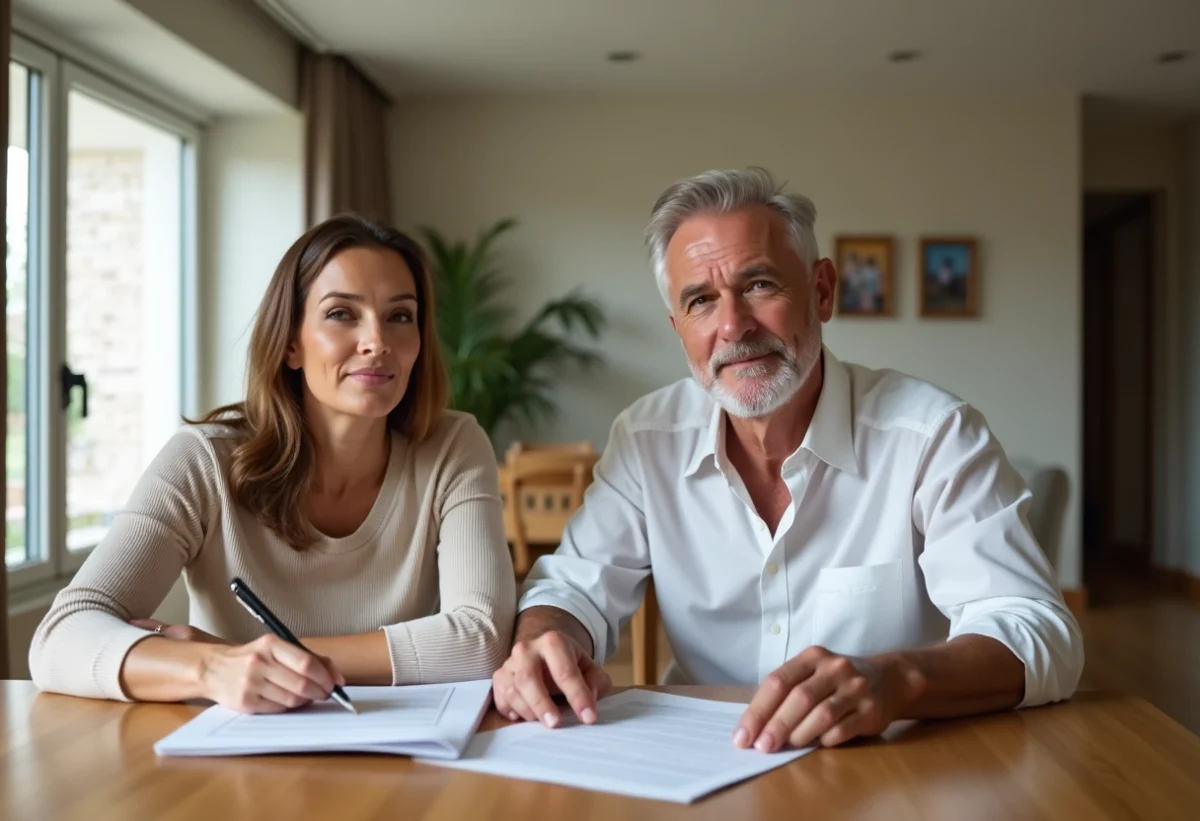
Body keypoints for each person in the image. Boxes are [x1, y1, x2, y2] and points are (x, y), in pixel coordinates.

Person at [492, 168, 1082, 753]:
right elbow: (574, 588)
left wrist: (899, 680)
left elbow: (1038, 631)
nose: (733, 326)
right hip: (701, 760)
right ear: (679, 329)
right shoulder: (646, 438)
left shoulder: (932, 435)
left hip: (889, 765)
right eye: (701, 301)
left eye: (759, 286)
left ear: (822, 290)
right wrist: (547, 641)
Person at [30, 214, 516, 713]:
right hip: (234, 765)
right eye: (342, 314)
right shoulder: (205, 460)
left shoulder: (453, 446)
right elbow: (61, 635)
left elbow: (481, 639)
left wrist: (251, 657)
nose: (377, 342)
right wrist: (212, 670)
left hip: (404, 758)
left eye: (400, 316)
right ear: (290, 344)